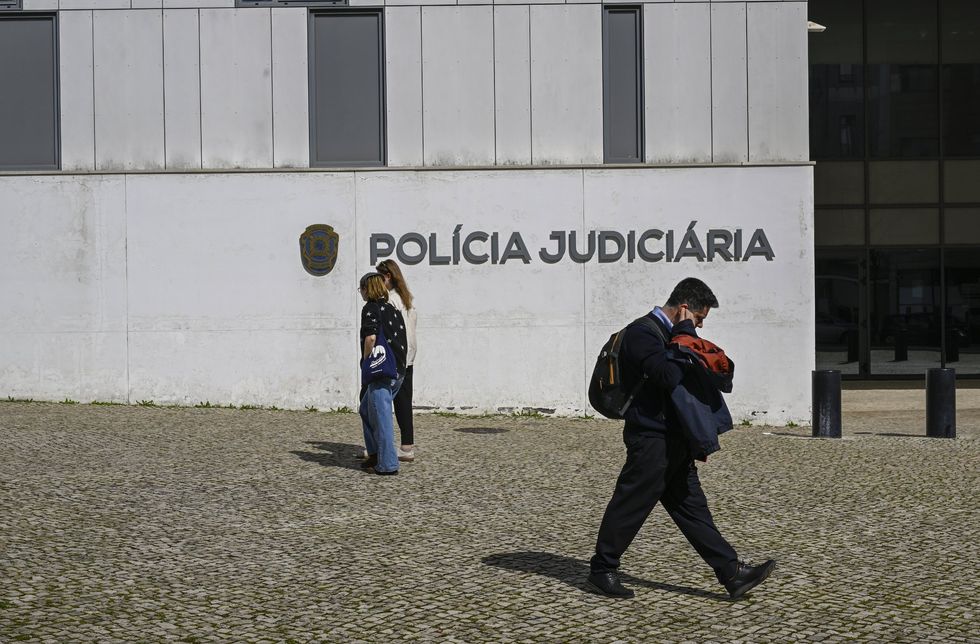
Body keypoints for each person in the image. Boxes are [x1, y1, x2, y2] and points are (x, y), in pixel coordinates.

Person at [587, 277, 775, 599]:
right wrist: (685, 335)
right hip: (651, 439)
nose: (699, 326)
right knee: (630, 503)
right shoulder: (642, 333)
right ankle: (602, 569)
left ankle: (732, 573)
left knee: (693, 511)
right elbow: (668, 375)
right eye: (699, 318)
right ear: (684, 308)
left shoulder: (670, 335)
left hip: (674, 439)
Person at [357, 272, 407, 476]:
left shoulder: (371, 308)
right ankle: (376, 455)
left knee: (382, 417)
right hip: (397, 370)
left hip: (381, 371)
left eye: (361, 288)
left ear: (367, 289)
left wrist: (365, 360)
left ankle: (387, 464)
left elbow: (370, 338)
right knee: (366, 409)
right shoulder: (393, 309)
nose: (360, 292)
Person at [376, 259, 418, 462]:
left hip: (395, 357)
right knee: (403, 403)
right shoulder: (407, 299)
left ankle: (379, 448)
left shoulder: (391, 301)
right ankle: (407, 446)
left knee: (379, 402)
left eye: (379, 277)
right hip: (408, 356)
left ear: (388, 277)